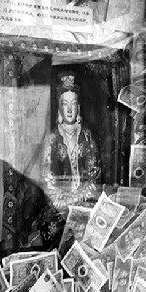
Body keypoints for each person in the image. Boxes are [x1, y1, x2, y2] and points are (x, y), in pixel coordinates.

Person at [42, 72, 101, 200]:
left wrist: (82, 193)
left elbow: (94, 174)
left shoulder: (86, 135)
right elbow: (48, 178)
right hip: (61, 199)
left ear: (78, 108)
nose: (69, 110)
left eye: (73, 103)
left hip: (84, 196)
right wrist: (62, 196)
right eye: (64, 104)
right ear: (59, 109)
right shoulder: (52, 138)